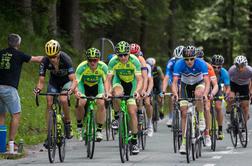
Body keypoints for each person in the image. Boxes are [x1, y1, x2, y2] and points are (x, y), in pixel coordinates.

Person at [0, 33, 43, 152]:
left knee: (1, 116)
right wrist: (49, 57)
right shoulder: (19, 54)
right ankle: (11, 144)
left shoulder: (1, 53)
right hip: (10, 89)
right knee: (16, 115)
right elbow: (36, 59)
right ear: (18, 43)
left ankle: (1, 146)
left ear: (8, 42)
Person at [34, 39, 77, 147]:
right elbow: (41, 80)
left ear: (58, 53)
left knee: (63, 99)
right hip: (54, 82)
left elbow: (73, 79)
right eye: (50, 57)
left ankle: (68, 124)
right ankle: (49, 135)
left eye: (54, 56)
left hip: (67, 81)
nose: (52, 59)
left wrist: (71, 90)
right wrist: (38, 89)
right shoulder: (45, 61)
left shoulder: (65, 58)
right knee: (49, 102)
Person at [104, 41, 142, 155]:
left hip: (132, 84)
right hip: (119, 82)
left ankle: (134, 141)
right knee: (116, 94)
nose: (123, 57)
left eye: (125, 54)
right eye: (120, 55)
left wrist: (137, 91)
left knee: (132, 111)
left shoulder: (135, 61)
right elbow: (108, 79)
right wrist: (107, 92)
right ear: (117, 55)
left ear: (129, 54)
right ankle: (116, 116)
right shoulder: (113, 62)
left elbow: (140, 79)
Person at [172, 45, 210, 154]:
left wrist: (206, 94)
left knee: (199, 94)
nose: (189, 61)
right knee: (184, 112)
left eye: (192, 59)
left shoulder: (201, 63)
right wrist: (175, 93)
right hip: (186, 85)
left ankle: (201, 117)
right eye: (186, 59)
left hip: (199, 83)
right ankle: (184, 143)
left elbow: (207, 82)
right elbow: (175, 82)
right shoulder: (179, 64)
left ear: (195, 57)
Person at [75, 48, 108, 142]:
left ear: (98, 59)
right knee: (81, 103)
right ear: (87, 60)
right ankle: (79, 127)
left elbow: (106, 81)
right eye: (90, 60)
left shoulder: (103, 67)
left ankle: (99, 130)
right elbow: (76, 82)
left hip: (97, 86)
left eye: (95, 60)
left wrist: (106, 92)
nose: (93, 62)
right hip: (83, 86)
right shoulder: (82, 67)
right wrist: (77, 92)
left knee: (101, 103)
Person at [195, 48, 218, 146]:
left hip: (205, 87)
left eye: (200, 58)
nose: (199, 60)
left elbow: (215, 84)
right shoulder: (189, 65)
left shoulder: (208, 66)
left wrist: (212, 93)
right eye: (197, 58)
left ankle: (207, 133)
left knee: (207, 108)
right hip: (192, 86)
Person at [130, 43, 154, 137]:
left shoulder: (145, 65)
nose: (134, 58)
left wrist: (146, 91)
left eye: (136, 55)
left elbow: (148, 80)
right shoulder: (128, 62)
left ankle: (149, 123)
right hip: (134, 83)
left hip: (145, 84)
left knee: (147, 102)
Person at [161, 45, 184, 127]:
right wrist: (163, 91)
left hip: (184, 79)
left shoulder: (187, 62)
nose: (179, 61)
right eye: (177, 59)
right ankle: (171, 117)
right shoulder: (171, 62)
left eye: (181, 59)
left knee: (182, 90)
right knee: (173, 96)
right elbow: (167, 77)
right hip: (174, 79)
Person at [227, 55, 252, 128]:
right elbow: (227, 81)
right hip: (234, 84)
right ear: (235, 65)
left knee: (245, 105)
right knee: (231, 98)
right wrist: (229, 91)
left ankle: (244, 125)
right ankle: (228, 114)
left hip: (244, 85)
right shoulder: (232, 69)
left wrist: (250, 91)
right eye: (238, 66)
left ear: (246, 65)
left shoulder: (250, 70)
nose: (240, 68)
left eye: (242, 66)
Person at [211, 54, 230, 140]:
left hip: (218, 88)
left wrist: (226, 94)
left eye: (219, 67)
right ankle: (208, 127)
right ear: (211, 65)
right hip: (208, 87)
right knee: (207, 107)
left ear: (221, 67)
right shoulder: (208, 71)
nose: (216, 69)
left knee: (218, 107)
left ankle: (220, 130)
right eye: (214, 67)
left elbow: (227, 87)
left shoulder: (224, 72)